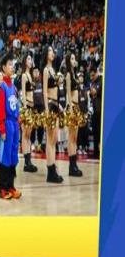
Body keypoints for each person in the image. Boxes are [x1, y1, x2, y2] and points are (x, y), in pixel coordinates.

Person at [0, 53, 22, 200]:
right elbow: (0, 110)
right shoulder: (3, 87)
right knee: (5, 157)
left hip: (14, 125)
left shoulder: (14, 88)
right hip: (6, 124)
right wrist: (2, 128)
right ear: (3, 68)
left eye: (13, 64)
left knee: (13, 156)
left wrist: (18, 122)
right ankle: (3, 188)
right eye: (9, 65)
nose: (12, 67)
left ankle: (11, 186)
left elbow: (16, 107)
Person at [43, 46, 63, 183]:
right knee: (50, 139)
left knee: (54, 138)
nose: (52, 53)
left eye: (52, 51)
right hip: (50, 105)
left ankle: (53, 168)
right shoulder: (45, 70)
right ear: (46, 54)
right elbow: (45, 91)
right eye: (50, 51)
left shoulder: (54, 70)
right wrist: (46, 109)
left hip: (56, 105)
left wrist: (59, 105)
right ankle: (50, 171)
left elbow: (56, 89)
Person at [65, 52, 83, 176]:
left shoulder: (74, 74)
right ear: (68, 61)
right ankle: (71, 166)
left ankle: (74, 164)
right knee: (71, 138)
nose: (74, 60)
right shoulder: (68, 74)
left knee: (75, 138)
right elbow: (68, 93)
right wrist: (71, 108)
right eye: (72, 58)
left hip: (77, 107)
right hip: (72, 107)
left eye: (74, 58)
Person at [20, 53, 37, 172]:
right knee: (25, 134)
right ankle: (26, 162)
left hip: (31, 107)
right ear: (25, 62)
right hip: (26, 108)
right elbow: (23, 93)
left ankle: (29, 160)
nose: (31, 61)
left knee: (29, 135)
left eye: (31, 59)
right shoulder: (24, 76)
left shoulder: (30, 76)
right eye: (29, 59)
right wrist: (25, 108)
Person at [89, 66, 102, 159]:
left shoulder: (102, 81)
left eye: (93, 75)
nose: (91, 77)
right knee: (95, 133)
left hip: (101, 112)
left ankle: (101, 152)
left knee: (101, 133)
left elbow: (95, 92)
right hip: (94, 111)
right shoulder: (92, 83)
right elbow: (91, 94)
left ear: (97, 73)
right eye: (90, 76)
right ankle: (96, 152)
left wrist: (94, 92)